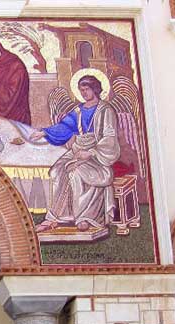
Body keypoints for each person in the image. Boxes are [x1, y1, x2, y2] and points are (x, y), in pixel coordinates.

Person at [30, 75, 120, 233]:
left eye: (86, 89)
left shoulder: (106, 110)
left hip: (97, 155)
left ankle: (84, 217)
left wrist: (91, 152)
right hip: (77, 150)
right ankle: (55, 218)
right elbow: (65, 127)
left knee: (77, 173)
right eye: (81, 90)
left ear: (95, 89)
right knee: (57, 171)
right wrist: (44, 132)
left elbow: (110, 137)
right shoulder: (78, 110)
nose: (83, 93)